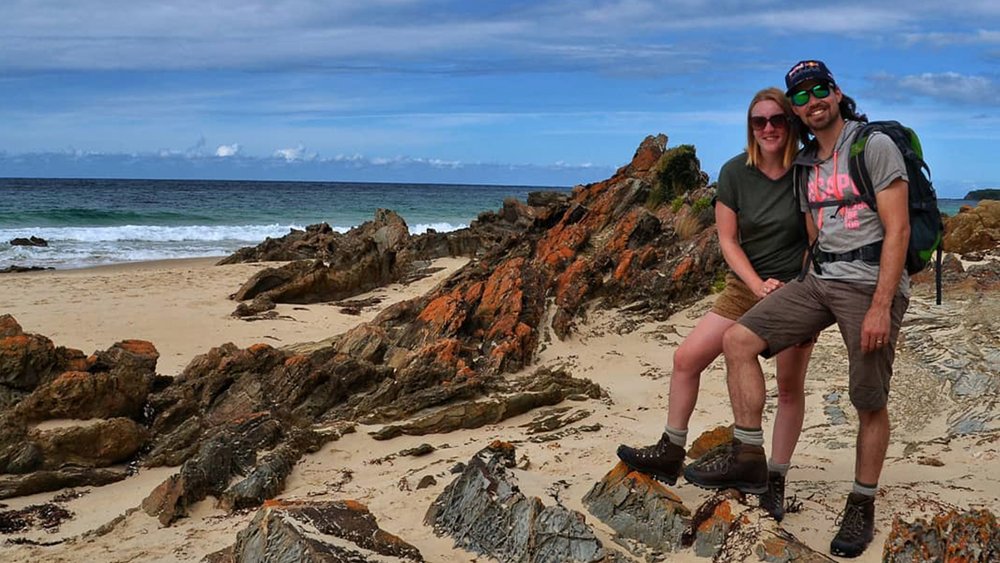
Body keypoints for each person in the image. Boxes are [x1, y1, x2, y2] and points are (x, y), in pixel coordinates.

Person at [682, 60, 910, 559]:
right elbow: (813, 237)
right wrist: (798, 289)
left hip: (869, 285)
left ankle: (862, 502)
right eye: (801, 96)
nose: (812, 101)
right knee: (737, 340)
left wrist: (880, 306)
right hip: (819, 281)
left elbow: (898, 230)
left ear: (837, 92)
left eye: (819, 90)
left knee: (868, 400)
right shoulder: (806, 164)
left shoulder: (872, 146)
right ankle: (748, 455)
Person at [616, 87, 814, 521]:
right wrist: (757, 284)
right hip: (746, 286)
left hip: (797, 290)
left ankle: (772, 477)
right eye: (759, 121)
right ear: (750, 127)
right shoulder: (734, 172)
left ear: (790, 124)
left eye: (777, 120)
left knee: (789, 387)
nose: (768, 128)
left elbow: (816, 243)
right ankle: (671, 449)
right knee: (686, 358)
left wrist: (793, 286)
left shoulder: (806, 173)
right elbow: (727, 240)